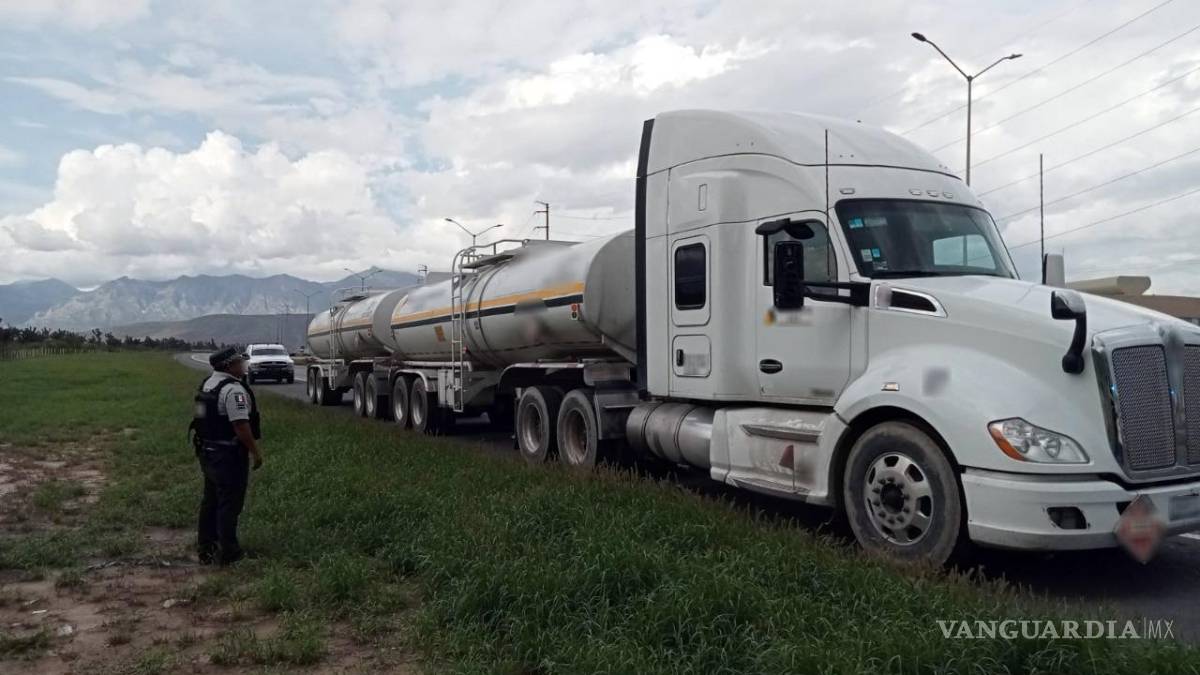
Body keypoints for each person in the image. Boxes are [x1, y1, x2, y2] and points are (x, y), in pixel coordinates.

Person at [189, 346, 264, 565]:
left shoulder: (207, 385)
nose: (243, 365)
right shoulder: (233, 390)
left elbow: (200, 418)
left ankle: (206, 548)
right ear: (229, 366)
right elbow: (240, 425)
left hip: (208, 452)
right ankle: (229, 553)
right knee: (229, 504)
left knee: (210, 501)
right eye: (240, 362)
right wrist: (255, 453)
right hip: (228, 456)